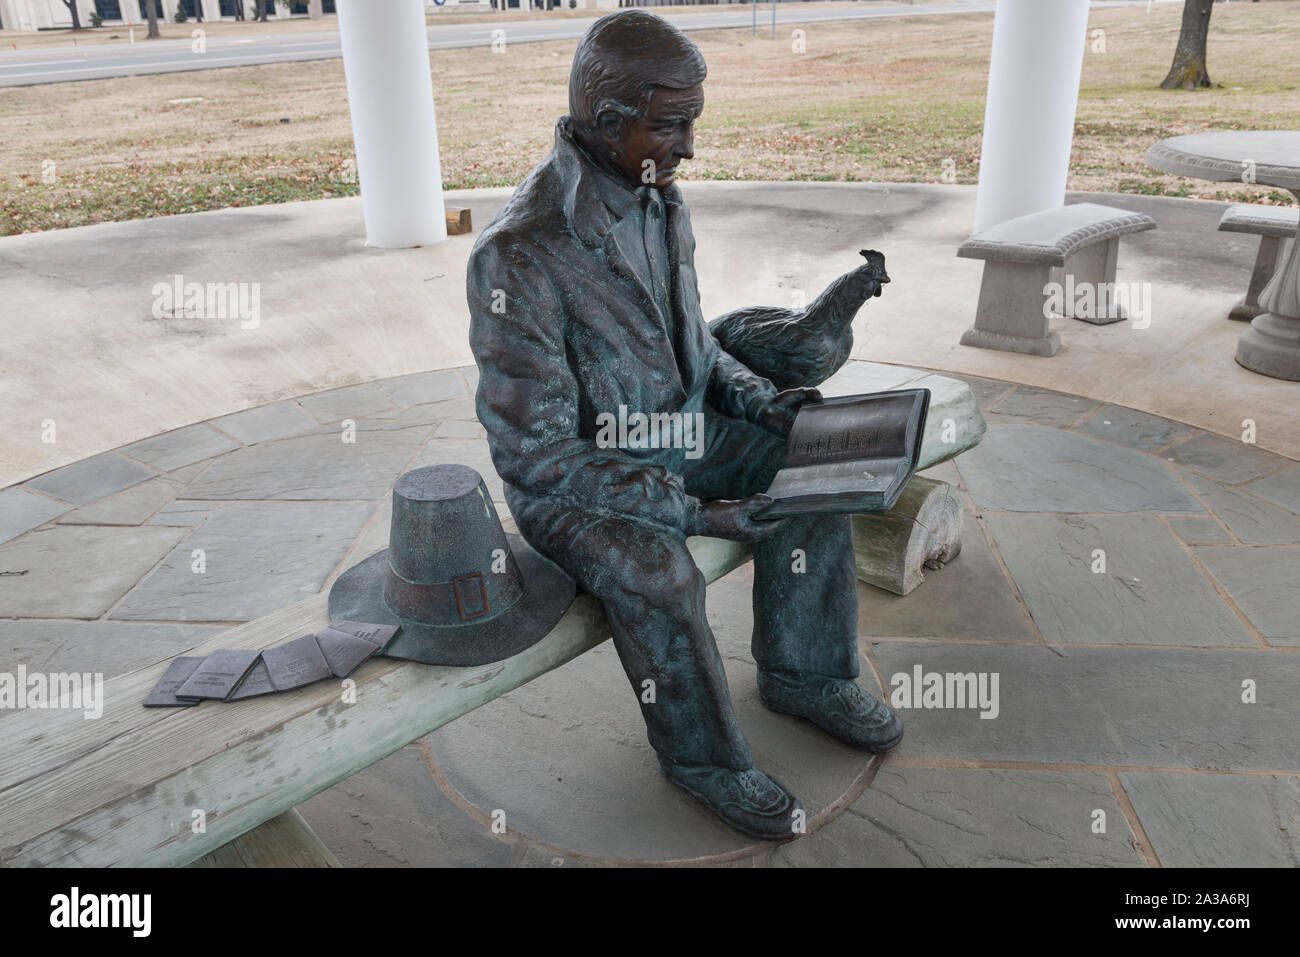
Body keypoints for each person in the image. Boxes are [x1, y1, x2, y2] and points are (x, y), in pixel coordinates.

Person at [466, 9, 902, 840]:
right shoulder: (518, 255)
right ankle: (705, 758)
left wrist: (757, 398)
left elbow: (694, 347)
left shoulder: (660, 199)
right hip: (578, 479)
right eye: (674, 126)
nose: (689, 148)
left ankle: (805, 673)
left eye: (691, 124)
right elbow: (536, 454)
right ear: (607, 119)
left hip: (673, 430)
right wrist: (698, 514)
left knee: (804, 462)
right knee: (656, 572)